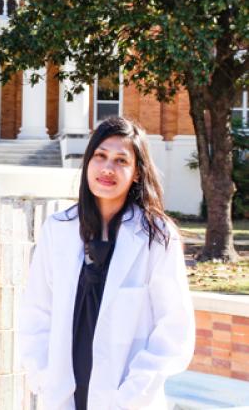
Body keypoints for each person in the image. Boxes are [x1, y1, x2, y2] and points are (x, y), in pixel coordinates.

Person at [18, 116, 195, 410]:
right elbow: (36, 312)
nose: (107, 168)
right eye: (100, 156)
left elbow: (174, 328)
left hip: (128, 400)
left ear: (137, 172)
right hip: (64, 394)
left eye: (121, 160)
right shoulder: (58, 229)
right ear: (88, 162)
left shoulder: (157, 237)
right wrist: (44, 376)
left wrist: (131, 395)